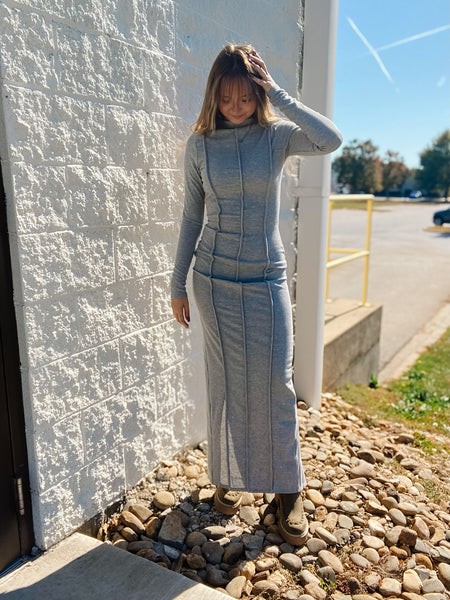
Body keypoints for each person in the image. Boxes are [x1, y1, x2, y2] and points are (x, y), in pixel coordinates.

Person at [170, 43, 342, 545]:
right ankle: (230, 476)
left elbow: (329, 139)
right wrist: (176, 283)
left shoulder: (277, 136)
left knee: (275, 385)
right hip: (213, 280)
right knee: (226, 384)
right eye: (227, 98)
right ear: (214, 96)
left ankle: (288, 491)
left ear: (258, 93)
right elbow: (191, 217)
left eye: (246, 96)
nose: (236, 106)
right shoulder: (200, 146)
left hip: (266, 279)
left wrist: (280, 95)